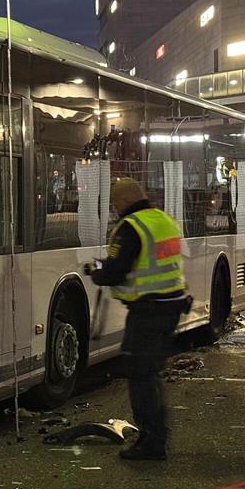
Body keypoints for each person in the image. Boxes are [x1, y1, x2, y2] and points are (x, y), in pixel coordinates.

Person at [83, 178, 191, 461]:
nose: (115, 208)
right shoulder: (161, 220)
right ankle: (155, 437)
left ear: (121, 202)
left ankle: (153, 442)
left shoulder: (130, 227)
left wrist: (95, 272)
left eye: (115, 204)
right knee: (149, 373)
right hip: (170, 307)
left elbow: (116, 271)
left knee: (141, 375)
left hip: (148, 312)